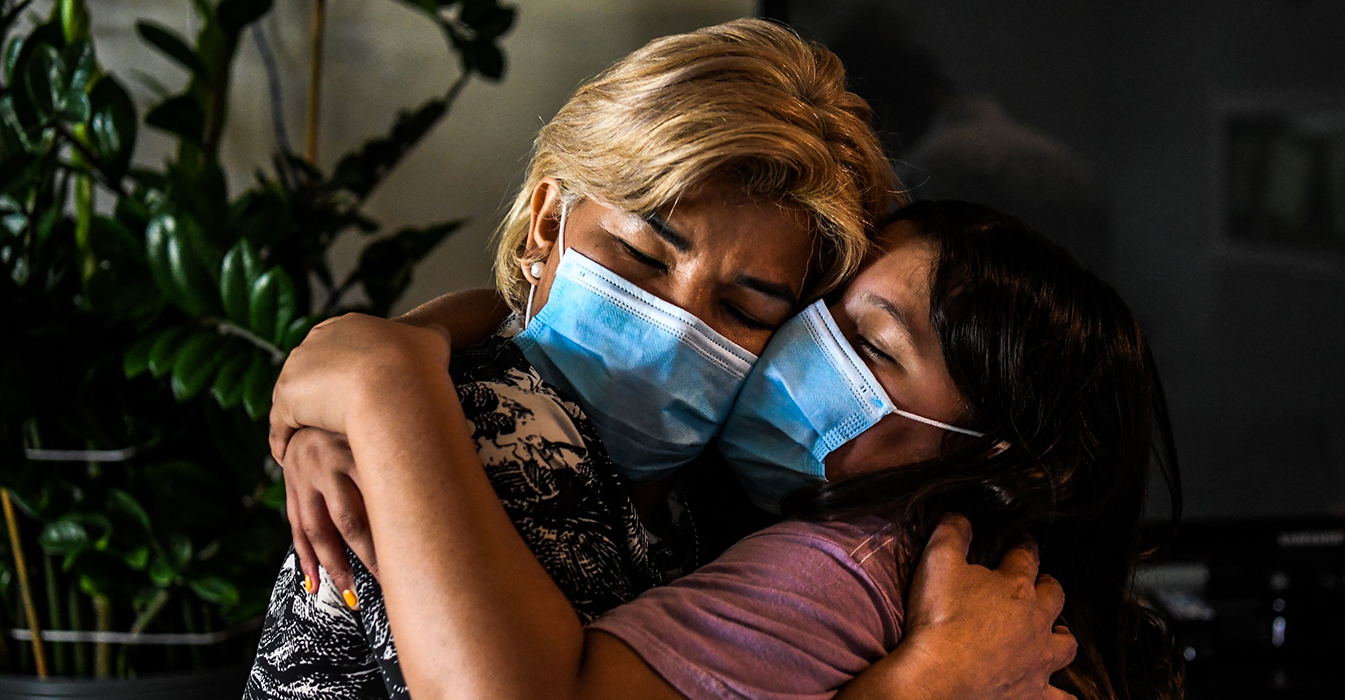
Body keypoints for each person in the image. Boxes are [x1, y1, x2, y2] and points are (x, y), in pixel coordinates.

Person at [244, 19, 1075, 700]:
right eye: (643, 258)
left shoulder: (703, 483)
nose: (676, 327)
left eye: (746, 309)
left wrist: (406, 343)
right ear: (545, 224)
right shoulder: (498, 431)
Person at [269, 200, 1185, 700]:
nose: (681, 333)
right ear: (549, 217)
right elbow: (528, 317)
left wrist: (387, 385)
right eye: (813, 315)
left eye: (868, 347)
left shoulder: (839, 565)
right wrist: (397, 356)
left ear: (997, 452)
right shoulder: (743, 483)